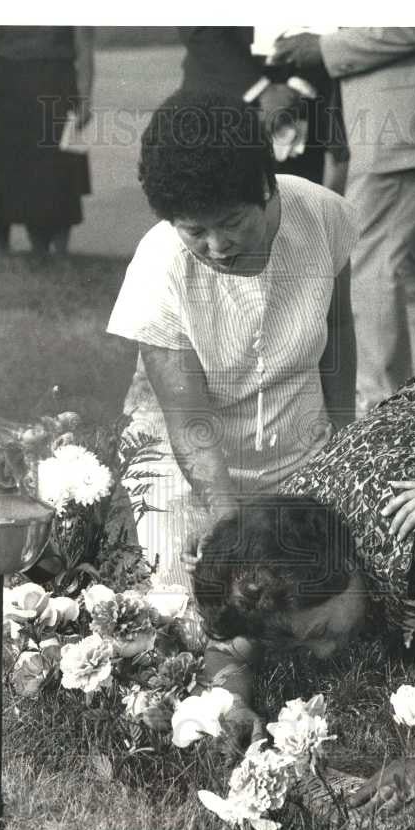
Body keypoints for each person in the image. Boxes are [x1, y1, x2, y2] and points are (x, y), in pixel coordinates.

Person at [192, 364, 415, 812]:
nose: (324, 656)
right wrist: (233, 703)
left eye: (322, 632)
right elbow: (228, 649)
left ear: (348, 569)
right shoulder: (281, 543)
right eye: (295, 642)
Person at [106, 91, 359, 582]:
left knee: (318, 597)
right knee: (196, 618)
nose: (217, 247)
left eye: (232, 223)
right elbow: (187, 425)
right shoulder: (159, 267)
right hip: (189, 470)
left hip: (301, 445)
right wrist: (225, 526)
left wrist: (342, 447)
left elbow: (338, 330)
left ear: (266, 188)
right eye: (194, 230)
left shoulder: (322, 215)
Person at [271, 28, 415, 415]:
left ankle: (382, 408)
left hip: (398, 122)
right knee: (407, 259)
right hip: (399, 118)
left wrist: (323, 46)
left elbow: (413, 25)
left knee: (372, 261)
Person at [177, 27, 348, 190]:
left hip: (305, 99)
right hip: (220, 96)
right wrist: (261, 90)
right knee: (210, 207)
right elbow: (198, 31)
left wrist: (299, 86)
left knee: (295, 211)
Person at [0, 26, 94, 256]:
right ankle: (23, 246)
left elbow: (84, 48)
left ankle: (60, 250)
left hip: (58, 83)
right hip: (12, 87)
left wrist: (85, 100)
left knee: (62, 167)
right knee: (16, 168)